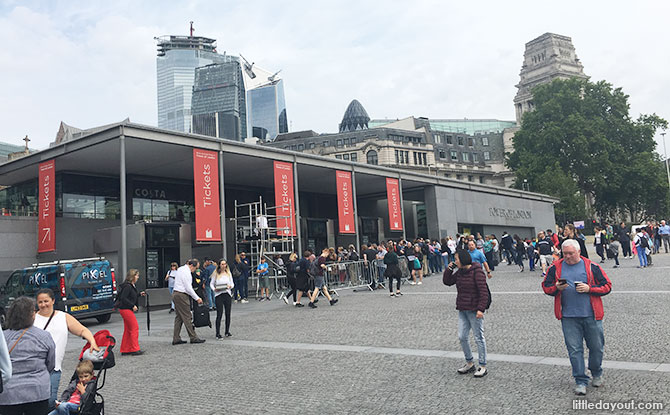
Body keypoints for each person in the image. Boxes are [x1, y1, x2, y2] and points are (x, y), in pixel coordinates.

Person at [542, 239, 612, 396]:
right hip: (568, 317)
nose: (567, 256)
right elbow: (546, 287)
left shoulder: (592, 267)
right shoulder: (555, 268)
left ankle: (596, 372)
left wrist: (590, 288)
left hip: (592, 315)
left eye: (570, 253)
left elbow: (607, 286)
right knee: (574, 350)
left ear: (579, 252)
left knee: (596, 347)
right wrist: (556, 288)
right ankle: (580, 380)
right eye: (564, 253)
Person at [34, 288, 100, 410]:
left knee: (49, 400)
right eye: (40, 302)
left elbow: (82, 330)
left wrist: (92, 341)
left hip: (54, 367)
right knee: (36, 401)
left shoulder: (63, 317)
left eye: (46, 301)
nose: (43, 305)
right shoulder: (32, 318)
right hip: (35, 368)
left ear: (53, 300)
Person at [0, 297, 55, 414]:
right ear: (32, 315)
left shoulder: (3, 337)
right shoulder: (44, 336)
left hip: (8, 393)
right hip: (38, 390)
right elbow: (50, 363)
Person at [442, 250, 489, 378]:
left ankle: (483, 365)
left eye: (456, 259)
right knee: (462, 336)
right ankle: (469, 362)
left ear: (463, 259)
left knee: (478, 337)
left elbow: (483, 291)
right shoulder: (460, 272)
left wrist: (481, 309)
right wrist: (449, 269)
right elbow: (447, 281)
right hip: (463, 308)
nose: (455, 261)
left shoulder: (477, 271)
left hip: (474, 310)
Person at [172, 259, 205, 345]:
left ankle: (176, 338)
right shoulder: (187, 273)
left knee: (179, 317)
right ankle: (193, 337)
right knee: (187, 316)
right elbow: (188, 288)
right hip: (182, 295)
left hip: (176, 293)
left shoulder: (180, 269)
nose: (194, 270)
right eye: (195, 268)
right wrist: (197, 298)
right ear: (192, 266)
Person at [116, 269, 146, 356]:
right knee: (134, 328)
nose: (138, 277)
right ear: (133, 276)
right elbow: (123, 298)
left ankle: (125, 349)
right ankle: (134, 348)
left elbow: (129, 296)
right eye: (137, 275)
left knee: (128, 329)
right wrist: (132, 305)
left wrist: (139, 294)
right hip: (126, 309)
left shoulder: (129, 285)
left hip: (124, 309)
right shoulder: (128, 286)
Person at [210, 259, 234, 339]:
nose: (224, 266)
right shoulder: (216, 274)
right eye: (222, 264)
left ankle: (227, 331)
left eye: (225, 264)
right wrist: (214, 289)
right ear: (219, 265)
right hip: (219, 294)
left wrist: (230, 286)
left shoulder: (228, 273)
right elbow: (211, 284)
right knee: (219, 314)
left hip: (227, 293)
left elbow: (232, 283)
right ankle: (217, 333)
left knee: (228, 313)